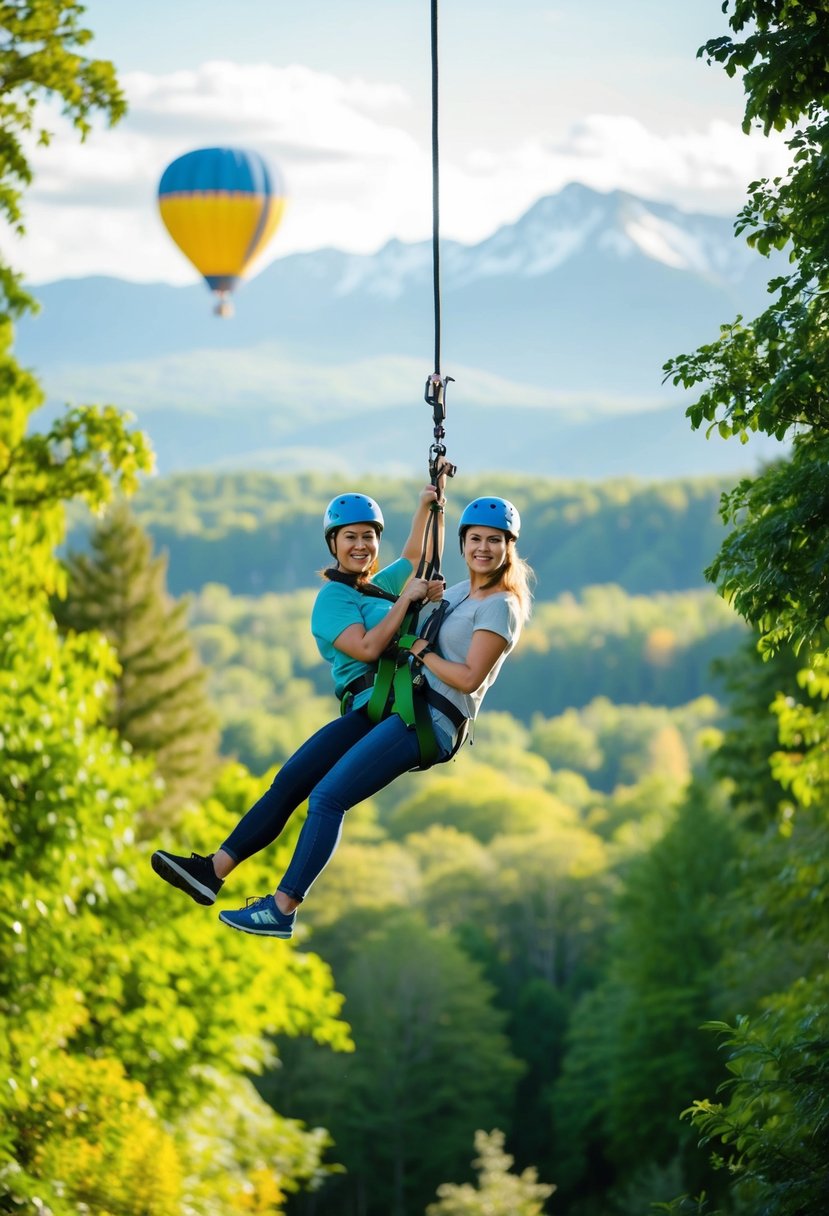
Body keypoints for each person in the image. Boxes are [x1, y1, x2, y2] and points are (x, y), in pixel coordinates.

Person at [152, 494, 533, 940]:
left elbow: (464, 674)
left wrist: (421, 645)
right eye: (474, 540)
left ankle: (283, 907)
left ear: (509, 547)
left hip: (427, 717)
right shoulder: (453, 593)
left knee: (328, 797)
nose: (482, 548)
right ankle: (214, 870)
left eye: (493, 541)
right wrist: (433, 510)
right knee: (294, 778)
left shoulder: (498, 605)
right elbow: (425, 561)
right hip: (396, 706)